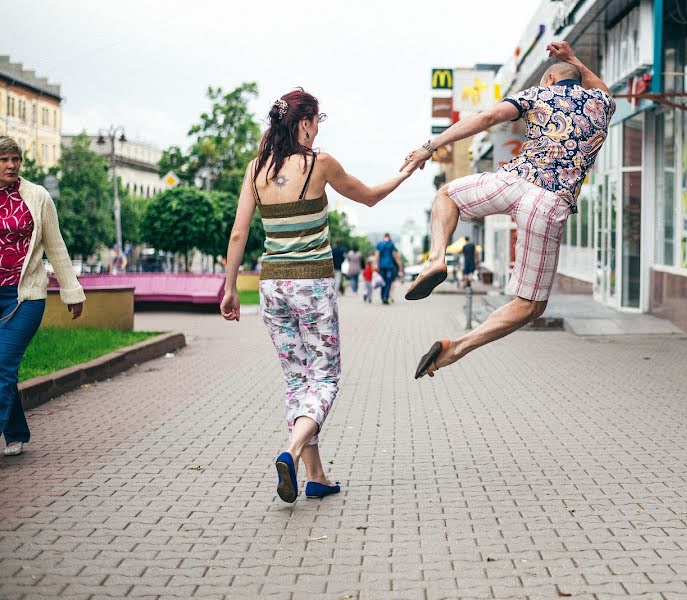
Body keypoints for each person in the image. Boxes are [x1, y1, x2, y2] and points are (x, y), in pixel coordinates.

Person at [219, 90, 415, 503]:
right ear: (304, 122)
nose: (318, 130)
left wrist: (230, 286)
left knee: (297, 380)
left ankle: (317, 477)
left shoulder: (256, 169)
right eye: (317, 122)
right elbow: (371, 196)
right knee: (324, 377)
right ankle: (290, 452)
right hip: (312, 286)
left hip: (272, 288)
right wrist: (408, 171)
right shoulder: (319, 164)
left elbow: (238, 233)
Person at [401, 42, 615, 379]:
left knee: (447, 196)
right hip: (550, 202)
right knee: (530, 305)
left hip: (513, 181)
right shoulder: (602, 104)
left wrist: (430, 146)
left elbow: (486, 118)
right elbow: (600, 85)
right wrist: (573, 58)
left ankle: (436, 258)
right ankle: (456, 348)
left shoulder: (537, 95)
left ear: (549, 80)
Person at [0, 136, 85, 456]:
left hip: (25, 296)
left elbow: (56, 246)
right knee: (3, 368)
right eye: (4, 159)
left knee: (3, 363)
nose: (11, 165)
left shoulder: (36, 196)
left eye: (16, 159)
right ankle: (17, 432)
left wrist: (71, 291)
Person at [375, 233, 401, 305]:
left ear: (384, 237)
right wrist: (399, 265)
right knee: (388, 282)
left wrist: (376, 264)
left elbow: (377, 255)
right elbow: (395, 255)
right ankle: (385, 297)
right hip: (389, 266)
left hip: (382, 266)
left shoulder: (379, 244)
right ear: (389, 237)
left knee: (382, 281)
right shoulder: (391, 244)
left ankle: (382, 297)